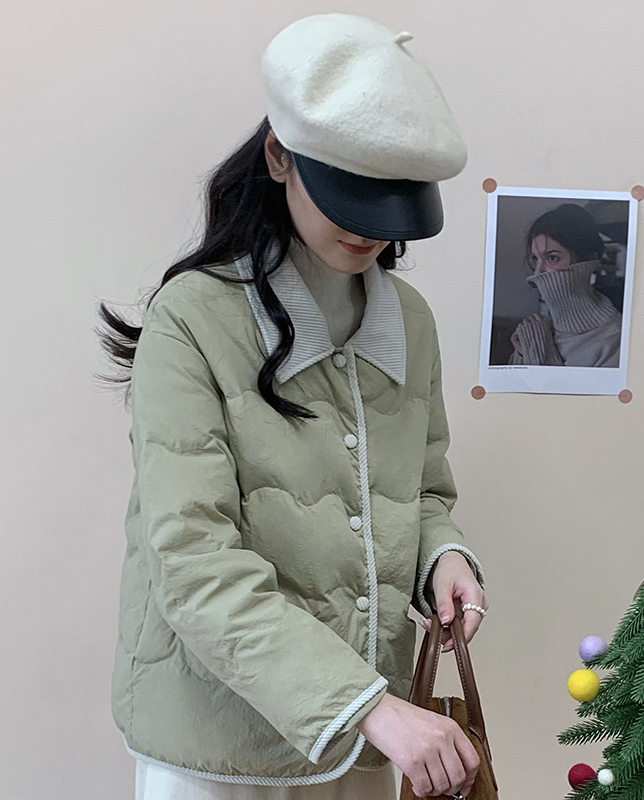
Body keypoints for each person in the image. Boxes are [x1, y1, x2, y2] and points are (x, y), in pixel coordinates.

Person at [98, 13, 488, 800]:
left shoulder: (409, 323)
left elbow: (422, 491)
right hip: (218, 748)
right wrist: (369, 708)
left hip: (364, 741)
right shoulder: (193, 319)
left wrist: (443, 558)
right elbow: (193, 561)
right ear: (279, 155)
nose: (369, 228)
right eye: (352, 191)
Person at [509, 203, 622, 367]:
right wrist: (522, 354)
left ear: (588, 260)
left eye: (552, 258)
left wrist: (540, 356)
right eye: (535, 259)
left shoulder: (615, 340)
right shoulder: (537, 330)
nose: (538, 273)